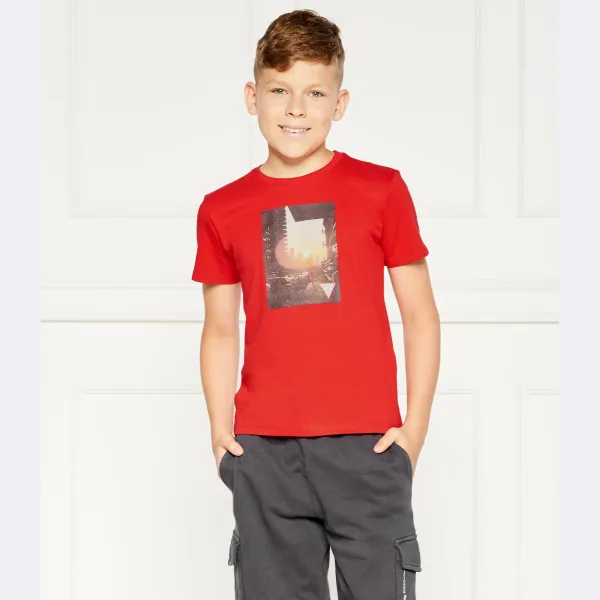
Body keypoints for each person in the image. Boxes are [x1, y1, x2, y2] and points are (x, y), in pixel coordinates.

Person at [191, 8, 440, 600]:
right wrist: (221, 431)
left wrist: (415, 429)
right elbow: (221, 328)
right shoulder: (222, 208)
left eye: (315, 93)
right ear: (253, 97)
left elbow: (420, 314)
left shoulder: (381, 189)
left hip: (367, 448)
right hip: (265, 452)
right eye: (280, 90)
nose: (296, 109)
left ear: (340, 103)